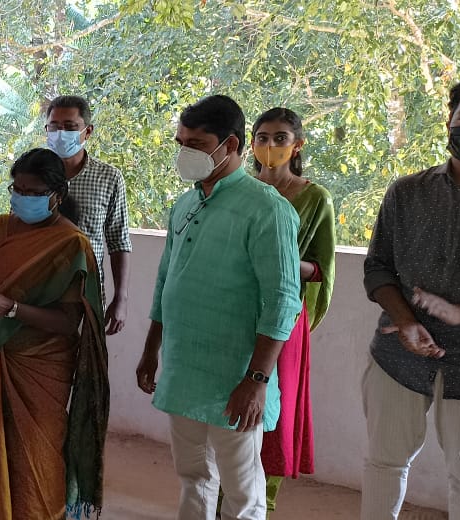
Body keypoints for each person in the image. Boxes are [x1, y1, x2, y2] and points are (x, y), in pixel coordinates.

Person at [135, 95, 300, 520]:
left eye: (196, 144)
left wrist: (257, 380)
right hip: (183, 369)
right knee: (193, 476)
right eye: (181, 143)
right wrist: (151, 350)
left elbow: (283, 300)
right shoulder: (186, 204)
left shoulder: (267, 208)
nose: (185, 152)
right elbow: (165, 282)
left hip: (236, 376)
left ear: (230, 145)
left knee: (242, 490)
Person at [361, 72, 460, 520]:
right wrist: (405, 320)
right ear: (449, 122)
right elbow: (378, 267)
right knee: (384, 464)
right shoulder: (407, 192)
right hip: (398, 355)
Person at [0, 148, 109, 520]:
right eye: (18, 190)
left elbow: (68, 322)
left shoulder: (71, 245)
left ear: (57, 195)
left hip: (42, 365)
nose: (23, 198)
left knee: (37, 458)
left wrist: (12, 308)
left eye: (34, 192)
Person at [251, 107, 336, 513]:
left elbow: (321, 267)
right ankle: (220, 501)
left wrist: (282, 259)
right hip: (232, 308)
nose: (270, 145)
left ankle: (262, 504)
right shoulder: (239, 190)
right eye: (262, 137)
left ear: (297, 145)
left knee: (275, 412)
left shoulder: (315, 198)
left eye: (280, 138)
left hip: (284, 317)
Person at [44, 95, 132, 335]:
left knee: (86, 357)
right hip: (37, 293)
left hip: (86, 294)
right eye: (54, 127)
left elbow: (119, 241)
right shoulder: (33, 174)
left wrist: (121, 298)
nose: (61, 133)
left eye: (70, 127)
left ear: (88, 131)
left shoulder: (109, 177)